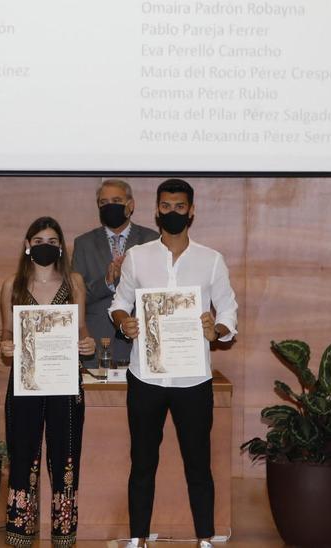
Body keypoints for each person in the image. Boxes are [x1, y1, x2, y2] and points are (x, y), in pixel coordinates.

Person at [108, 179, 237, 548]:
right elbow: (118, 302)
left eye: (180, 207)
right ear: (157, 211)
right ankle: (137, 539)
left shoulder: (211, 260)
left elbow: (228, 308)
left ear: (191, 211)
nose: (173, 213)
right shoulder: (138, 257)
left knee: (198, 464)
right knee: (142, 462)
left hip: (193, 380)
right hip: (145, 377)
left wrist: (219, 328)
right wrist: (124, 322)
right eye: (166, 207)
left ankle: (205, 538)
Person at [0, 217, 96, 548]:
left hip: (65, 381)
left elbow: (81, 328)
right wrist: (6, 346)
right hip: (24, 383)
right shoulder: (12, 285)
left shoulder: (75, 282)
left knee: (66, 456)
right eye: (38, 240)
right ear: (27, 244)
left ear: (61, 246)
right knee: (22, 454)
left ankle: (64, 536)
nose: (45, 246)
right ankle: (20, 535)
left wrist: (88, 342)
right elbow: (7, 334)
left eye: (52, 240)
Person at [72, 180, 158, 368]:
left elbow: (158, 291)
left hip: (140, 338)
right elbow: (75, 297)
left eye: (116, 200)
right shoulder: (83, 243)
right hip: (97, 340)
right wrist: (107, 282)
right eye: (104, 203)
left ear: (130, 205)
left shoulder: (152, 240)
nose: (110, 206)